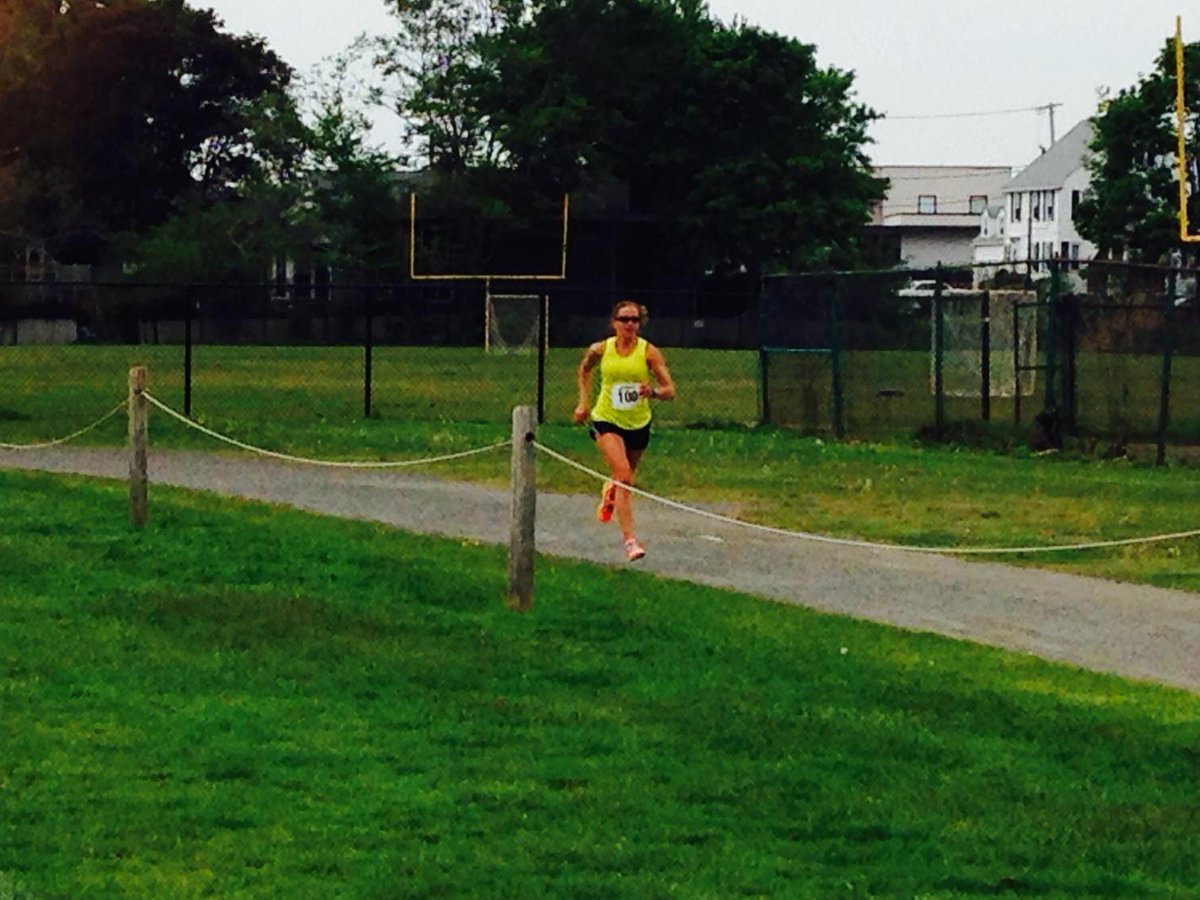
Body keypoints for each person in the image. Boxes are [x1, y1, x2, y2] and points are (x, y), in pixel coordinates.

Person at [573, 300, 676, 561]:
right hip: (606, 418)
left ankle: (611, 491)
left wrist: (651, 391)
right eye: (624, 319)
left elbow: (670, 391)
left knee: (624, 480)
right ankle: (630, 541)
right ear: (614, 322)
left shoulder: (648, 352)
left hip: (638, 423)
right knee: (624, 475)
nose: (629, 324)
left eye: (634, 320)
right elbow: (584, 370)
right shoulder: (601, 349)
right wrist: (583, 403)